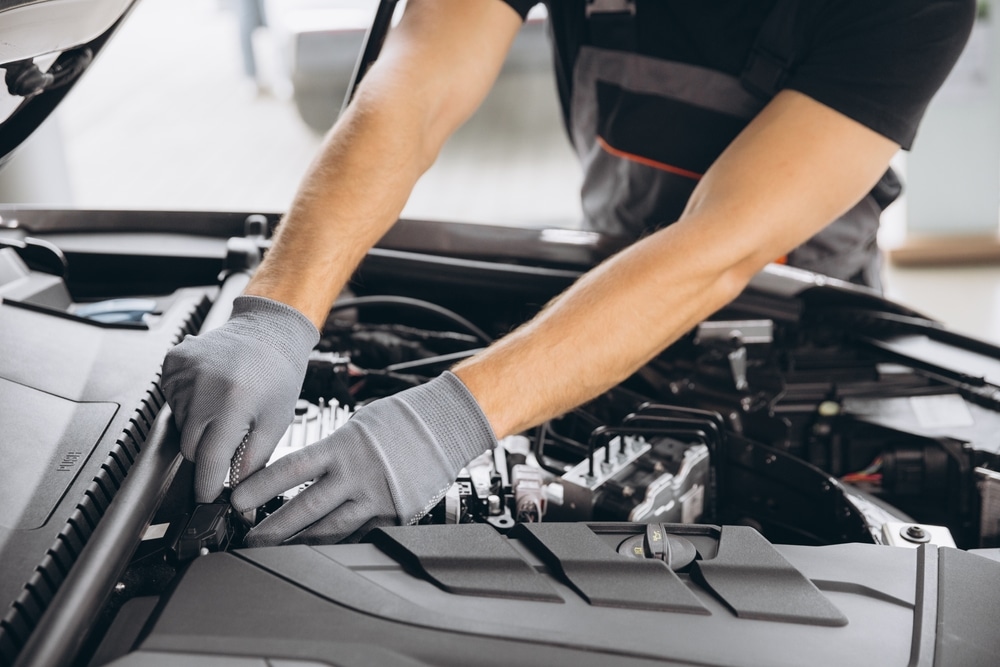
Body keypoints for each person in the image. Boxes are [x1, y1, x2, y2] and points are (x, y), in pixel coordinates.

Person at [162, 0, 975, 546]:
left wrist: (443, 423)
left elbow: (720, 247)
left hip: (788, 318)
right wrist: (279, 310)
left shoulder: (911, 9)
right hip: (607, 264)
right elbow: (413, 91)